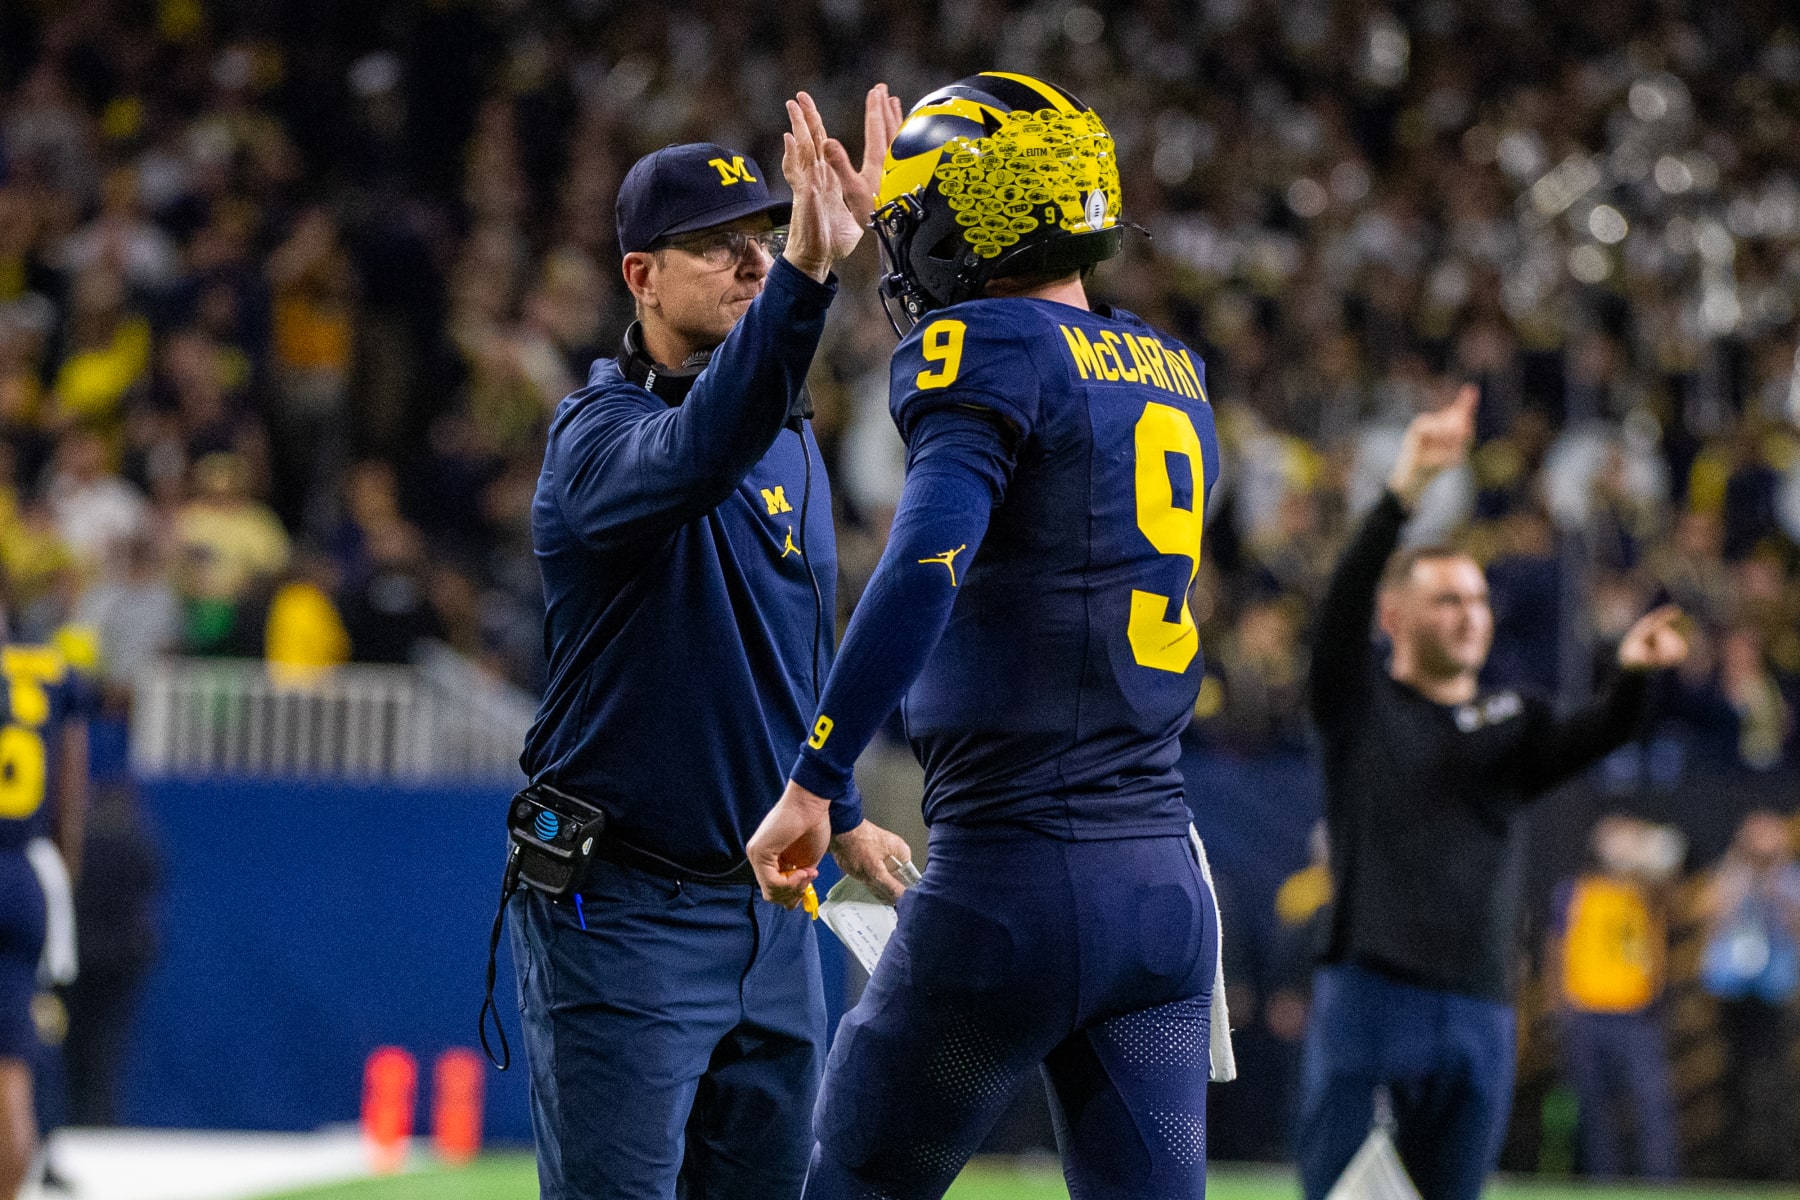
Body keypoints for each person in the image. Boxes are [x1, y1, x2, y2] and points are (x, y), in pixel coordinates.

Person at [748, 72, 1231, 1200]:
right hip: (1163, 894)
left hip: (1013, 884)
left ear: (972, 222)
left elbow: (926, 563)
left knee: (854, 1181)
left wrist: (819, 778)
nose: (903, 247)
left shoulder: (985, 349)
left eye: (916, 223)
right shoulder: (1170, 368)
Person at [506, 87, 910, 1200]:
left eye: (765, 239)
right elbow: (697, 450)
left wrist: (845, 810)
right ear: (640, 275)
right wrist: (808, 277)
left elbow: (788, 656)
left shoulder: (787, 437)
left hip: (772, 911)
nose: (751, 262)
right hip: (620, 910)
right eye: (715, 247)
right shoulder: (594, 441)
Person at [1296, 387, 1692, 1200]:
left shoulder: (1513, 721)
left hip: (1481, 1007)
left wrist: (1633, 677)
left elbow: (1595, 734)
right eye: (1447, 599)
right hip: (1372, 996)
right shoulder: (1359, 705)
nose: (1471, 615)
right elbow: (1338, 613)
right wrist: (1403, 493)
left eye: (1478, 599)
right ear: (1393, 617)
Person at [0, 625, 89, 1198]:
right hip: (26, 874)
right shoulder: (51, 669)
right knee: (11, 1071)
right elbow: (70, 792)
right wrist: (63, 877)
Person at [1548, 815, 1682, 1179]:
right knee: (1592, 1108)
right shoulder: (1576, 889)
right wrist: (1558, 1002)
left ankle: (1661, 1183)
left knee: (1651, 1103)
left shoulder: (1646, 890)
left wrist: (1644, 849)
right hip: (1586, 1011)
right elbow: (1556, 946)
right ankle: (1601, 1183)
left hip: (1636, 1013)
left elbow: (1670, 888)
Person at [1697, 810, 1800, 1179]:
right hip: (1733, 989)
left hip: (1774, 989)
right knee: (1735, 1078)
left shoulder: (1788, 877)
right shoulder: (1731, 874)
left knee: (1773, 1080)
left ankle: (1776, 1168)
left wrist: (1774, 884)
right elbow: (1707, 913)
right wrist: (1739, 873)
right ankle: (1738, 1168)